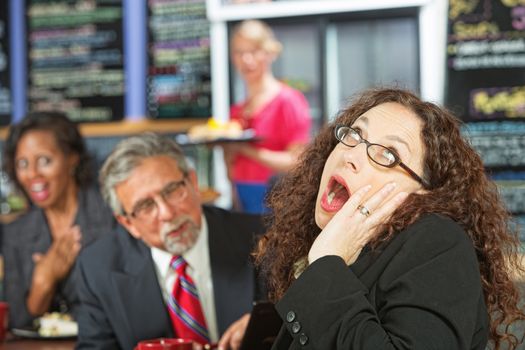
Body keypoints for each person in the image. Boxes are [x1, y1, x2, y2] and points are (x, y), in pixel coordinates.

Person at [253, 88, 525, 349]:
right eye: (355, 134)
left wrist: (326, 263)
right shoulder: (353, 248)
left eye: (389, 155)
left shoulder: (439, 241)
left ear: (425, 193)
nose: (352, 155)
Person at [75, 133, 266, 350]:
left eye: (172, 191)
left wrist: (270, 327)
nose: (167, 213)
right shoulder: (98, 268)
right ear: (128, 224)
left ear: (193, 183)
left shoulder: (261, 236)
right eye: (146, 206)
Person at [2, 111, 116, 329]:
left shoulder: (112, 216)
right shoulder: (15, 233)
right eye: (22, 163)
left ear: (72, 158)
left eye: (44, 160)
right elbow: (15, 324)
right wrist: (42, 282)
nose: (33, 173)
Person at [224, 19, 312, 213]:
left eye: (254, 51)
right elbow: (231, 167)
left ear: (270, 53)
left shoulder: (288, 101)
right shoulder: (237, 111)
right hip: (242, 203)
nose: (246, 60)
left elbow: (297, 162)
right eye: (239, 52)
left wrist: (247, 150)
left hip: (278, 204)